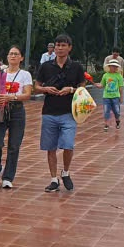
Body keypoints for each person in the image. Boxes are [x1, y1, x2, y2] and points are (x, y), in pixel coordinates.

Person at [36, 33, 87, 193]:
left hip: (69, 112)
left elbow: (83, 87)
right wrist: (45, 89)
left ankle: (65, 172)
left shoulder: (76, 67)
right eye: (57, 45)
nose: (59, 48)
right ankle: (53, 179)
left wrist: (71, 89)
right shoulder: (46, 66)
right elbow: (36, 85)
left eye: (63, 45)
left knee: (68, 144)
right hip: (49, 111)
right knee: (50, 147)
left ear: (69, 48)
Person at [0, 45, 32, 188]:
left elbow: (27, 94)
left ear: (21, 58)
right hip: (0, 110)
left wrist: (11, 97)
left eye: (16, 54)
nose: (13, 56)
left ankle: (8, 177)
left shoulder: (25, 75)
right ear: (7, 57)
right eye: (11, 53)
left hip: (16, 111)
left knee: (14, 145)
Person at [99, 57, 124, 131]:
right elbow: (102, 84)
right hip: (106, 96)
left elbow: (120, 88)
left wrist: (121, 97)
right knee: (106, 110)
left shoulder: (119, 76)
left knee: (116, 110)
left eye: (115, 66)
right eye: (112, 66)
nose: (114, 67)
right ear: (109, 66)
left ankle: (117, 120)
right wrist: (97, 85)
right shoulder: (105, 75)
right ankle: (106, 124)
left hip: (115, 96)